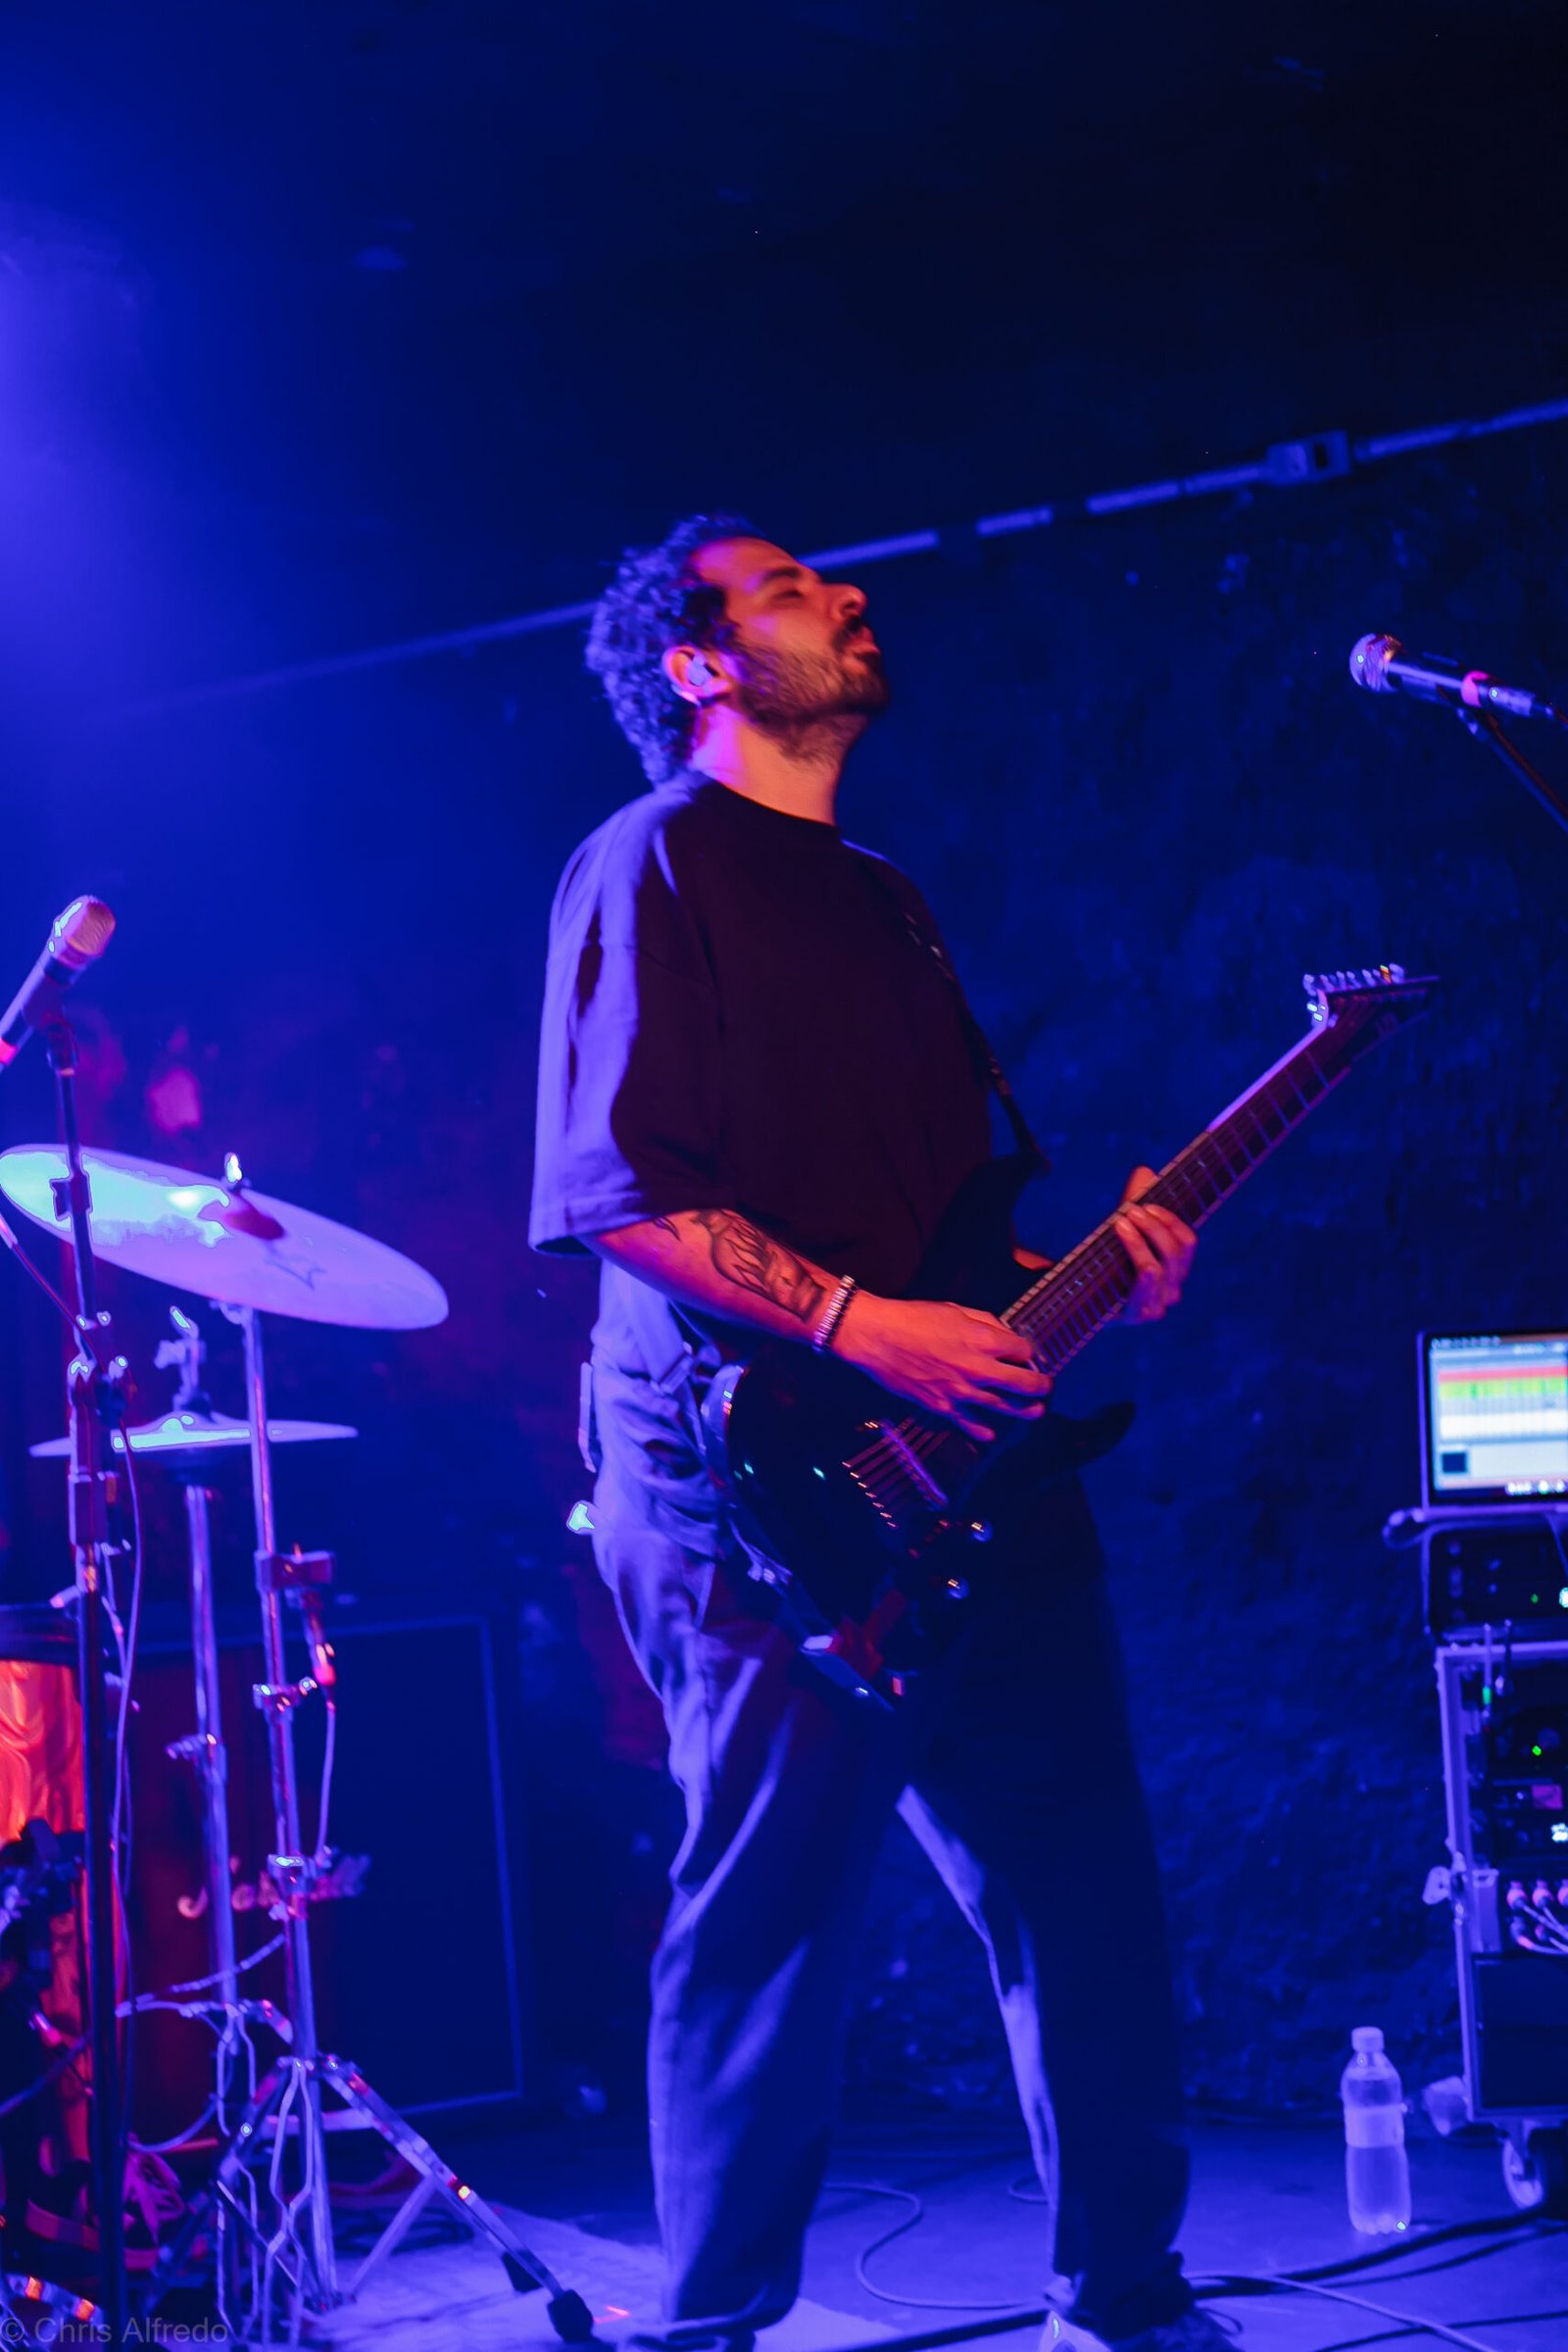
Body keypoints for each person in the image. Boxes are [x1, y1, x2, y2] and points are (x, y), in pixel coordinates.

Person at [529, 515, 1222, 2352]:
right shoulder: (650, 861)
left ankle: (1126, 2294)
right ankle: (710, 2328)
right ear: (700, 663)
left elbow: (935, 1237)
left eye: (833, 582)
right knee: (768, 1914)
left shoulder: (887, 895)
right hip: (755, 1494)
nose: (848, 598)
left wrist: (1081, 1270)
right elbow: (621, 1197)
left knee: (1085, 1886)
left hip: (963, 1470)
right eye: (789, 591)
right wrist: (860, 1326)